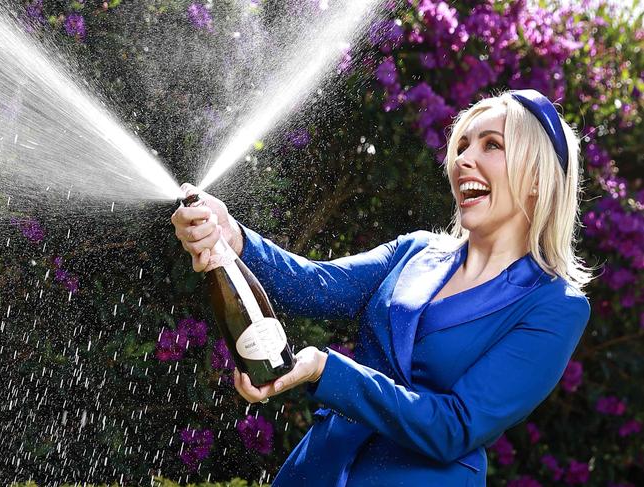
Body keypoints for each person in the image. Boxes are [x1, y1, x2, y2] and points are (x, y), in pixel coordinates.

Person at [171, 89, 592, 486]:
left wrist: (326, 370)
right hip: (318, 470)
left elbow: (455, 426)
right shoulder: (415, 251)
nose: (464, 159)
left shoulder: (554, 306)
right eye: (461, 145)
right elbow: (313, 286)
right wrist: (231, 234)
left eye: (491, 145)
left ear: (537, 176)